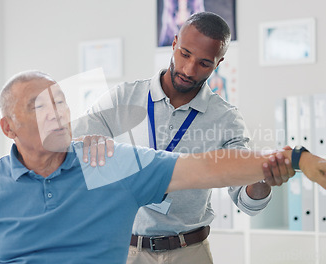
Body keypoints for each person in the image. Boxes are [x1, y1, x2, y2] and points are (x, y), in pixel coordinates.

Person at [0, 70, 326, 264]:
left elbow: (206, 168)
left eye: (60, 101)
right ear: (7, 127)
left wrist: (297, 158)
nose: (57, 112)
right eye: (38, 106)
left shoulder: (107, 165)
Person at [73, 12, 290, 263]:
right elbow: (72, 147)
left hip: (189, 251)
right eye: (185, 54)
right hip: (124, 250)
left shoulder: (227, 119)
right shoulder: (123, 98)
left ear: (218, 64)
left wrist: (261, 178)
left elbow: (247, 201)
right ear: (174, 43)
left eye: (204, 63)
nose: (189, 69)